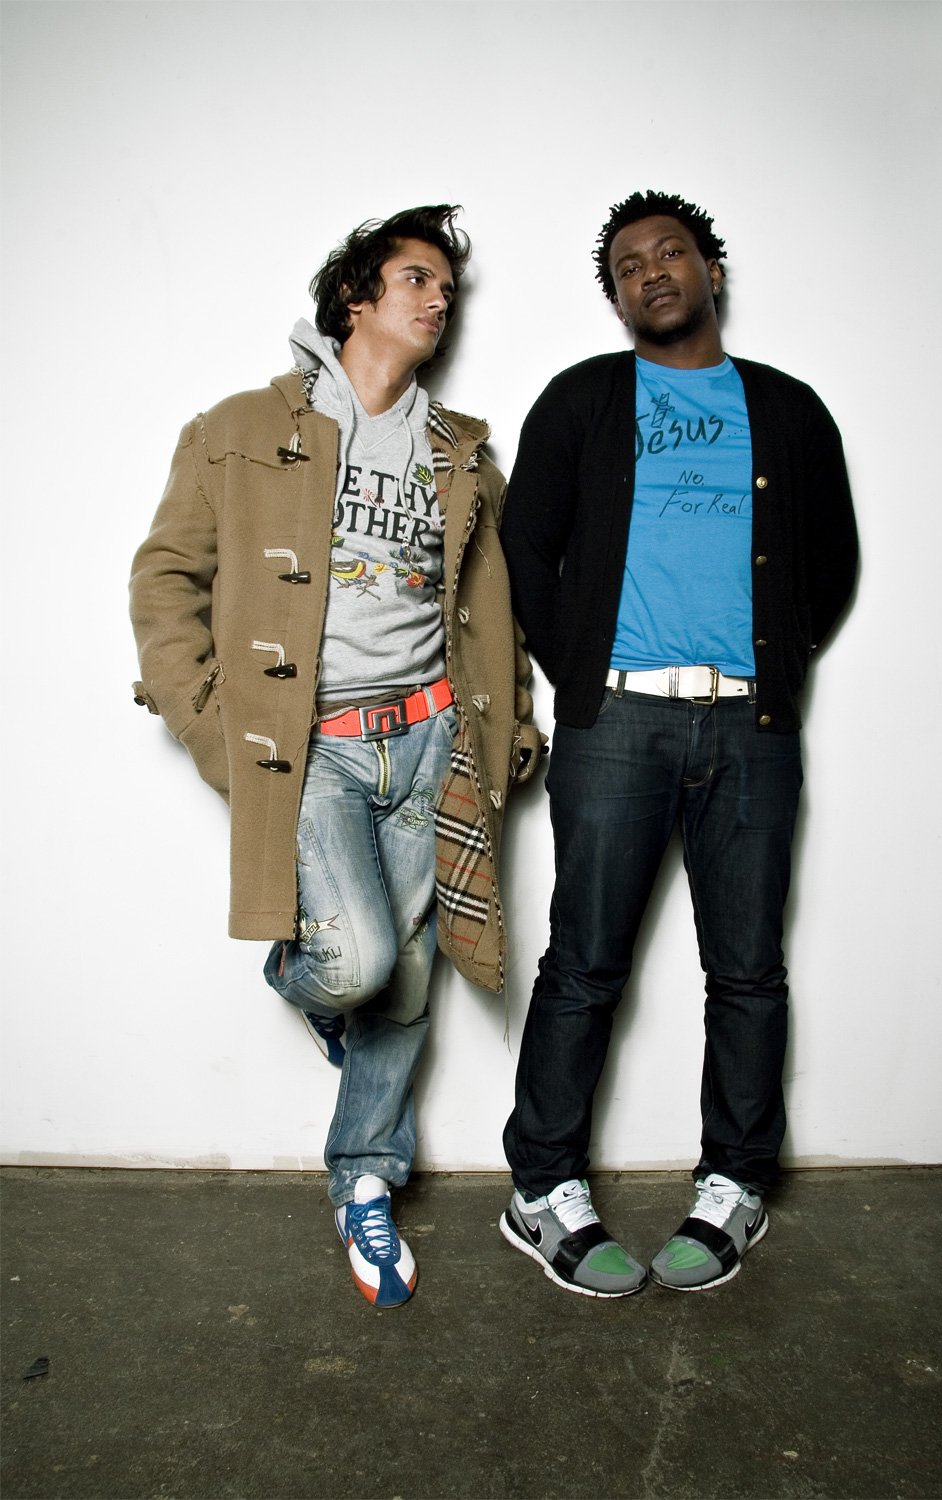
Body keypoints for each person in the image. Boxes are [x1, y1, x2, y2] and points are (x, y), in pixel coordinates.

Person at [130, 205, 542, 1308]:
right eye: (415, 278)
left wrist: (510, 720)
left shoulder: (459, 450)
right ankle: (297, 974)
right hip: (312, 748)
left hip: (431, 737)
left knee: (407, 981)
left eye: (447, 286)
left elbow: (493, 608)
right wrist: (207, 719)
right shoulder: (238, 428)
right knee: (358, 967)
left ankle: (365, 1174)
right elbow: (164, 579)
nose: (438, 298)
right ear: (355, 298)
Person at [498, 191, 857, 1298]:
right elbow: (524, 552)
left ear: (711, 270)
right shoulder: (583, 400)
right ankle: (541, 1187)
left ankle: (735, 1182)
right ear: (616, 299)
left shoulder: (788, 409)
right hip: (617, 721)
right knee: (582, 965)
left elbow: (831, 560)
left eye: (670, 253)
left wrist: (774, 664)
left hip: (751, 724)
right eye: (627, 266)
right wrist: (583, 677)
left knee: (747, 969)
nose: (650, 272)